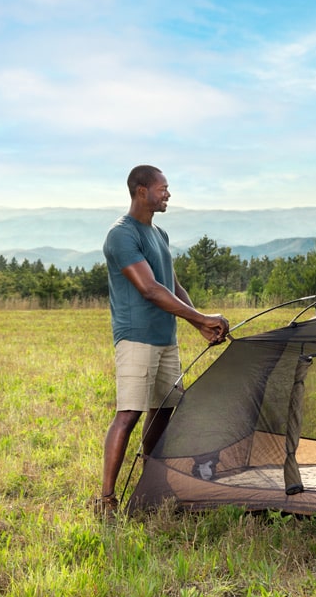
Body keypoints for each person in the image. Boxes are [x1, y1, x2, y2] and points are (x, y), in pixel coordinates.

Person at [96, 165, 229, 516]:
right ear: (142, 192)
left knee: (164, 413)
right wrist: (200, 319)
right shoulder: (122, 235)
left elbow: (171, 285)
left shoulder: (161, 234)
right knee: (129, 415)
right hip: (137, 339)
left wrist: (196, 320)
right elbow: (150, 289)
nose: (168, 194)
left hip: (165, 340)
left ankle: (151, 484)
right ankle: (106, 500)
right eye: (162, 188)